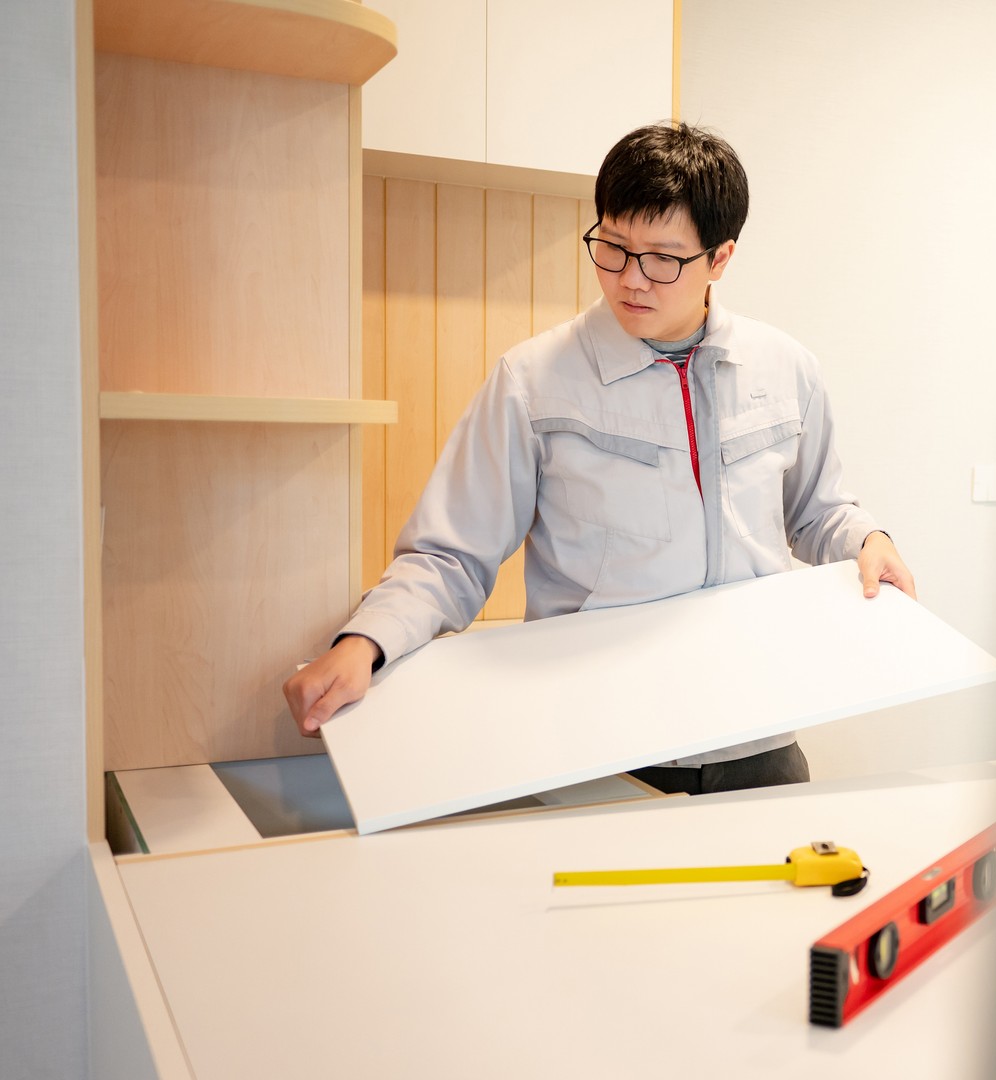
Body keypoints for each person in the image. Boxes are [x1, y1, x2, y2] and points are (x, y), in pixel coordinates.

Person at [280, 122, 914, 794]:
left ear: (720, 257)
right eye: (612, 247)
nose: (630, 280)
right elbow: (450, 555)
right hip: (597, 750)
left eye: (663, 258)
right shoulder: (532, 381)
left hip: (761, 742)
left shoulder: (787, 369)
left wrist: (867, 538)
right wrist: (365, 643)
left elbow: (819, 511)